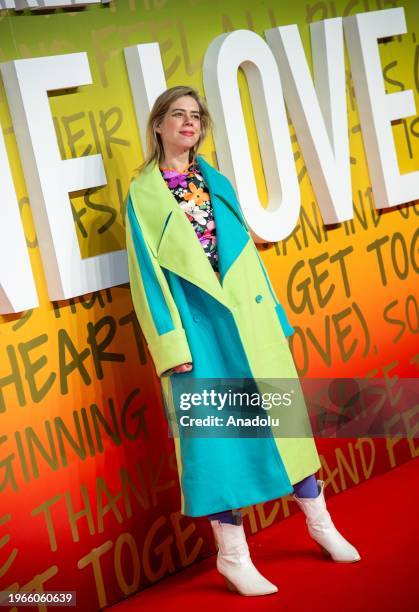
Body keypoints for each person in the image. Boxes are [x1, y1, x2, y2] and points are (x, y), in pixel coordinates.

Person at [124, 85, 361, 597]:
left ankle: (321, 525)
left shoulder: (217, 180)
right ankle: (233, 556)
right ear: (159, 125)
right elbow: (146, 278)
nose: (189, 123)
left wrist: (273, 316)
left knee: (285, 427)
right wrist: (172, 347)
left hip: (248, 322)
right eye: (177, 115)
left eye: (196, 116)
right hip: (198, 329)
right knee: (215, 444)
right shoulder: (142, 194)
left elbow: (248, 258)